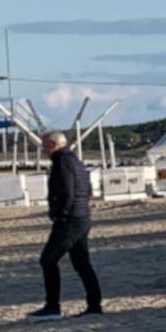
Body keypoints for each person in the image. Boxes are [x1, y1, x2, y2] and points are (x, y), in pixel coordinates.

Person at [29, 131, 103, 321]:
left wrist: (59, 215)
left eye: (45, 146)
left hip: (71, 219)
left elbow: (67, 193)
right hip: (82, 216)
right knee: (81, 262)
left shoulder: (62, 162)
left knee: (48, 259)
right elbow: (87, 190)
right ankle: (94, 305)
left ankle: (53, 307)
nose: (43, 150)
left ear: (53, 144)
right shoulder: (75, 161)